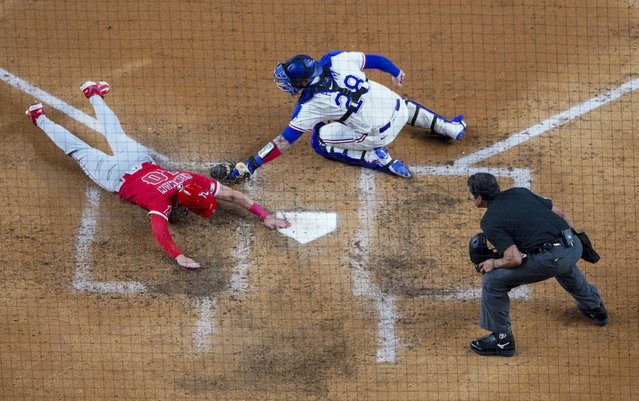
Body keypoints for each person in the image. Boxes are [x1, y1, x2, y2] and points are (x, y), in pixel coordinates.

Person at [25, 81, 290, 269]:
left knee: (114, 133)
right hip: (114, 177)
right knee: (79, 149)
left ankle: (92, 93)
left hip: (137, 161)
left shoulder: (188, 178)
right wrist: (178, 256)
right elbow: (160, 233)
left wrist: (265, 215)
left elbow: (231, 195)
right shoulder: (160, 203)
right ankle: (38, 117)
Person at [213, 51, 466, 180]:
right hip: (397, 106)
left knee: (319, 140)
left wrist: (250, 165)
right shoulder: (335, 59)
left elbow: (283, 142)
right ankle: (449, 128)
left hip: (381, 134)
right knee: (399, 104)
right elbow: (374, 59)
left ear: (301, 81)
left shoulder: (309, 105)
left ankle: (380, 160)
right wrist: (395, 70)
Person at [466, 172, 608, 356]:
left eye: (470, 194)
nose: (468, 197)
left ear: (479, 198)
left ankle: (502, 341)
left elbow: (514, 258)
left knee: (493, 281)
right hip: (574, 246)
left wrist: (494, 262)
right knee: (563, 264)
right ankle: (595, 308)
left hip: (553, 259)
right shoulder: (520, 192)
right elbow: (561, 213)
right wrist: (569, 241)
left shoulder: (490, 220)